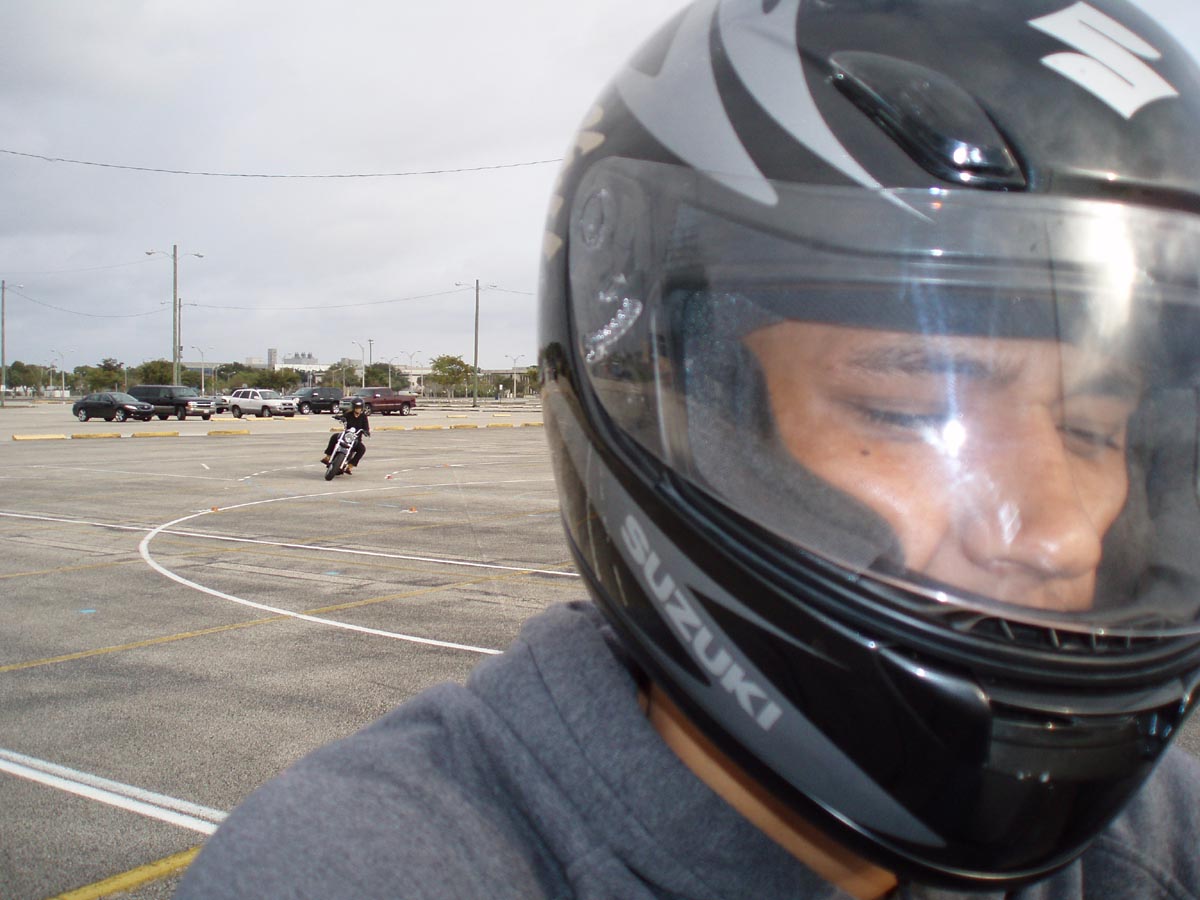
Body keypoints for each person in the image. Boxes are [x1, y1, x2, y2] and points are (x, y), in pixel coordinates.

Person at [177, 1, 1200, 897]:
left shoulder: (1155, 843)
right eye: (905, 405)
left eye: (1093, 430)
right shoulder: (372, 867)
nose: (1062, 536)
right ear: (690, 412)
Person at [321, 396, 369, 473]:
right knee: (334, 437)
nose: (358, 409)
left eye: (359, 408)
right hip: (345, 436)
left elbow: (366, 427)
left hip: (355, 439)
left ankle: (350, 466)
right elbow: (343, 417)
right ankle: (328, 456)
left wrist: (366, 431)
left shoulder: (363, 417)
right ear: (353, 407)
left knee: (362, 449)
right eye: (356, 408)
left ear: (362, 408)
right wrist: (339, 418)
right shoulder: (348, 414)